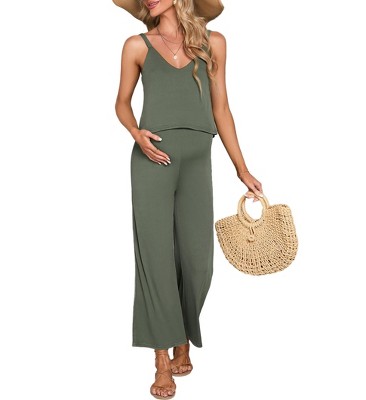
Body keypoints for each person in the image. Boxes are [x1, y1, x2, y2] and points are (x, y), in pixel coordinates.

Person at [113, 0, 264, 398]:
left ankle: (183, 332)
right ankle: (162, 358)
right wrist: (136, 133)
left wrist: (242, 168)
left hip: (198, 161)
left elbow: (222, 109)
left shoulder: (214, 43)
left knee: (198, 261)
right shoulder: (136, 45)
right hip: (152, 161)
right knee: (155, 259)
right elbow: (121, 103)